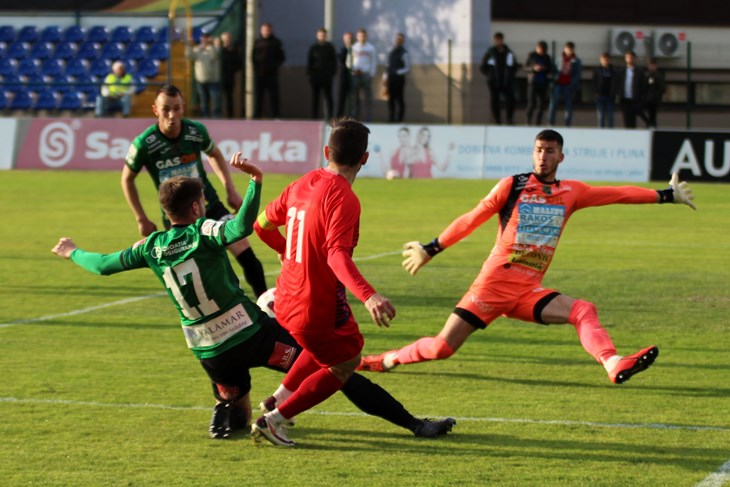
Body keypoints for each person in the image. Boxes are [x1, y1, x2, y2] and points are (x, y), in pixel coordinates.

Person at [52, 161, 456, 442]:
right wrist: (254, 182)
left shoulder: (151, 248)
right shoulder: (204, 231)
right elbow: (245, 224)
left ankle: (245, 405)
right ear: (195, 208)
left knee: (241, 418)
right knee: (334, 364)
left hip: (208, 354)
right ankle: (401, 423)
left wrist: (72, 251)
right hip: (251, 336)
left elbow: (103, 264)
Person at [358, 129, 696, 388]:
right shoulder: (513, 185)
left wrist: (666, 195)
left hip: (526, 291)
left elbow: (618, 194)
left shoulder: (571, 192)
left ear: (561, 156)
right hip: (492, 287)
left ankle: (613, 363)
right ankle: (383, 360)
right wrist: (432, 248)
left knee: (583, 310)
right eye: (538, 150)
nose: (542, 157)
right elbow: (472, 217)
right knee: (442, 348)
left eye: (550, 151)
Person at [250, 118, 400, 446]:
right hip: (313, 304)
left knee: (318, 348)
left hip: (286, 297)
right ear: (364, 159)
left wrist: (288, 251)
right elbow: (336, 256)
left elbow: (261, 226)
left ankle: (275, 400)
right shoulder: (345, 199)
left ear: (326, 151)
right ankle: (275, 420)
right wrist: (370, 295)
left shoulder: (302, 183)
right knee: (346, 360)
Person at [121, 84, 268, 298]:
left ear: (183, 107)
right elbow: (127, 179)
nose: (172, 115)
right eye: (165, 109)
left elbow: (215, 154)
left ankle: (268, 310)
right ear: (155, 110)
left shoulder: (195, 131)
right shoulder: (144, 144)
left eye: (176, 108)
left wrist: (230, 188)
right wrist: (140, 218)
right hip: (178, 218)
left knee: (247, 256)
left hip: (210, 205)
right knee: (203, 274)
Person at [480, 32, 517, 125]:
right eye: (496, 40)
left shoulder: (508, 52)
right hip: (494, 81)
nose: (498, 42)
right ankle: (497, 120)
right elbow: (482, 67)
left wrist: (510, 75)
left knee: (510, 100)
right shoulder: (490, 53)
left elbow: (514, 65)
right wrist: (490, 75)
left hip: (506, 81)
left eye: (500, 40)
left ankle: (509, 119)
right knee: (494, 101)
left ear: (502, 40)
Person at [252, 22, 285, 119]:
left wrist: (274, 66)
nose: (266, 32)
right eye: (264, 30)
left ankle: (276, 115)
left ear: (271, 31)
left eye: (268, 30)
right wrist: (256, 69)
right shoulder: (257, 42)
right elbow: (253, 57)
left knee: (274, 96)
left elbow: (281, 58)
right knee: (259, 96)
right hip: (260, 74)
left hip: (272, 74)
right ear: (261, 31)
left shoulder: (276, 42)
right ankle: (257, 116)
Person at [186, 29, 221, 118]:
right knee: (203, 100)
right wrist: (189, 45)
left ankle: (216, 117)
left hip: (213, 79)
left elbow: (214, 56)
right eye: (203, 37)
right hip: (201, 79)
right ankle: (205, 116)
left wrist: (211, 45)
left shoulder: (213, 48)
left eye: (207, 37)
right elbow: (189, 56)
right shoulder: (197, 49)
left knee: (215, 99)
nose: (205, 39)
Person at [548, 41, 582, 127]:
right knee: (553, 103)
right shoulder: (559, 58)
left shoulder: (576, 60)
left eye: (571, 50)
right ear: (564, 49)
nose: (569, 51)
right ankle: (550, 123)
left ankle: (568, 124)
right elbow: (553, 70)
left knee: (568, 105)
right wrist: (553, 80)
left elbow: (577, 74)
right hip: (558, 84)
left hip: (568, 85)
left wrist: (572, 84)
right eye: (567, 49)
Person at [306, 27, 338, 120]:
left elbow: (334, 62)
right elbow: (310, 62)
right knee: (315, 98)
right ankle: (314, 118)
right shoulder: (313, 48)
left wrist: (332, 73)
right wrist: (310, 74)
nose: (322, 37)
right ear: (317, 36)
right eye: (320, 35)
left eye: (324, 35)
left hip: (327, 77)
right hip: (316, 77)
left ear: (326, 36)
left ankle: (330, 117)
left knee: (328, 97)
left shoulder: (330, 47)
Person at [350, 28, 377, 122]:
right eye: (360, 36)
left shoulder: (370, 48)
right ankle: (354, 119)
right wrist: (353, 71)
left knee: (367, 98)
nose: (362, 37)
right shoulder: (353, 47)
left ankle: (368, 119)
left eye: (363, 35)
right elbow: (348, 62)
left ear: (366, 36)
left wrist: (371, 75)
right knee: (354, 98)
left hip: (366, 75)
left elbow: (373, 62)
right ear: (357, 37)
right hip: (355, 75)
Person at [524, 40, 553, 126]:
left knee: (541, 104)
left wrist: (544, 68)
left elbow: (550, 69)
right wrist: (533, 68)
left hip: (543, 83)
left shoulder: (547, 57)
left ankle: (538, 124)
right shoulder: (532, 56)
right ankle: (528, 122)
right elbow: (525, 67)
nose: (540, 51)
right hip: (533, 83)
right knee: (531, 103)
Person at [615, 50, 645, 129]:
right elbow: (617, 84)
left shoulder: (639, 72)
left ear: (634, 59)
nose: (629, 59)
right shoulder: (621, 71)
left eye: (631, 57)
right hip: (624, 99)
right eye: (627, 57)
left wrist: (640, 97)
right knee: (626, 120)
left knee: (633, 120)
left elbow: (642, 85)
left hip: (635, 99)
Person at [385, 33, 410, 123]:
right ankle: (391, 118)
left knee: (399, 99)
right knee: (391, 99)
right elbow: (388, 65)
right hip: (391, 79)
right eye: (397, 39)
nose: (398, 41)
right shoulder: (392, 52)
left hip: (399, 80)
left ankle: (399, 119)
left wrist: (397, 72)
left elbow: (407, 67)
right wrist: (386, 77)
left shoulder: (404, 53)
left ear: (403, 41)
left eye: (400, 39)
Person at [220, 31, 243, 119]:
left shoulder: (234, 50)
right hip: (218, 77)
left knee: (230, 97)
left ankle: (230, 116)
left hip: (230, 77)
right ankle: (219, 116)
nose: (227, 40)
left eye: (228, 39)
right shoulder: (219, 50)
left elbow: (239, 64)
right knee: (218, 97)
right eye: (225, 39)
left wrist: (232, 70)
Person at [593, 52, 616, 128]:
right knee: (600, 116)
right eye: (604, 60)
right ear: (601, 60)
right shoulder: (597, 70)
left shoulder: (613, 71)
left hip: (610, 96)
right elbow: (594, 82)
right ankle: (601, 132)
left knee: (610, 116)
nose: (605, 61)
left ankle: (611, 132)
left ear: (609, 60)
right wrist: (596, 92)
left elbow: (615, 82)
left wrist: (614, 93)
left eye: (607, 60)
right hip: (600, 96)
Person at [643, 58, 666, 129]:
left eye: (653, 65)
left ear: (656, 66)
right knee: (644, 112)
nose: (651, 67)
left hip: (654, 100)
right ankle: (649, 124)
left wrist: (655, 96)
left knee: (652, 115)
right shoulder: (647, 75)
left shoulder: (659, 75)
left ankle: (652, 127)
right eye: (650, 65)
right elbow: (645, 86)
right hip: (647, 99)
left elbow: (662, 88)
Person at [335, 31, 354, 118]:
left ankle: (351, 118)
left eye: (349, 38)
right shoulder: (341, 50)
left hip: (353, 77)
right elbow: (340, 61)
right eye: (346, 39)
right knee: (341, 99)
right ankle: (338, 118)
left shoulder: (355, 50)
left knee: (352, 100)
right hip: (343, 77)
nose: (348, 40)